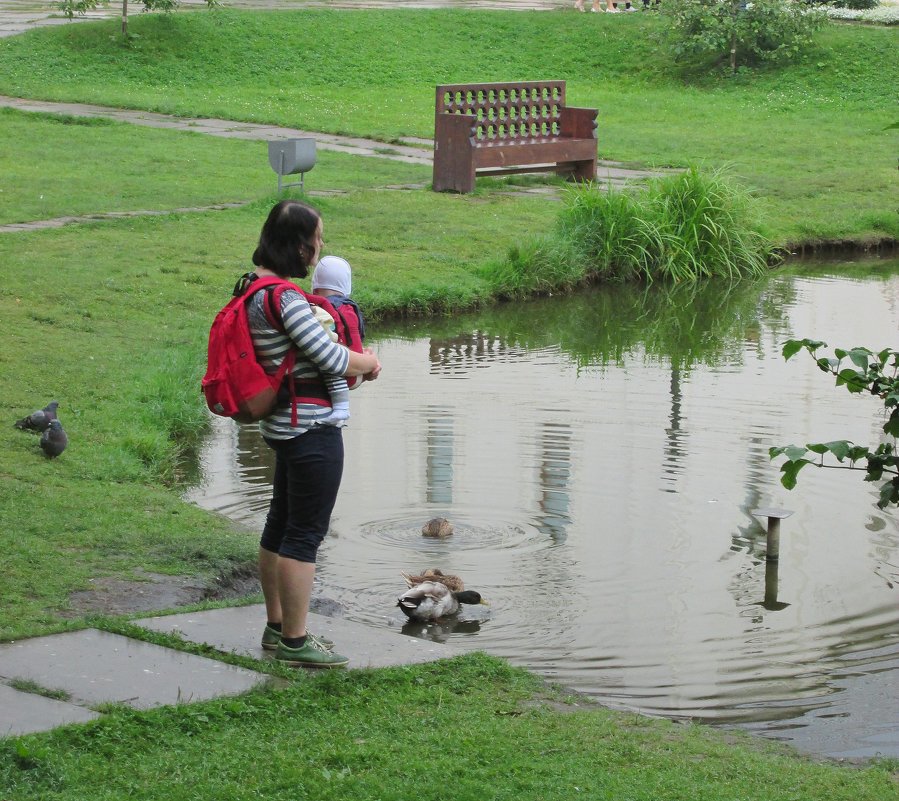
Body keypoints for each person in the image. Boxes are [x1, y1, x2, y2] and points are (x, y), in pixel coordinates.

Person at [249, 199, 381, 668]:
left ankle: (276, 626)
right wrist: (369, 362)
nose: (320, 246)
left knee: (280, 525)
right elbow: (330, 356)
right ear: (301, 246)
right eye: (318, 238)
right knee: (304, 535)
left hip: (283, 427)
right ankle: (295, 639)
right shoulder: (284, 298)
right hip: (310, 428)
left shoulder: (252, 288)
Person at [308, 254, 368, 425]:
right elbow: (360, 335)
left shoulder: (319, 308)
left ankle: (341, 409)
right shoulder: (350, 308)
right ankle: (340, 410)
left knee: (329, 366)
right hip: (357, 363)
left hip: (342, 368)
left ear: (315, 287)